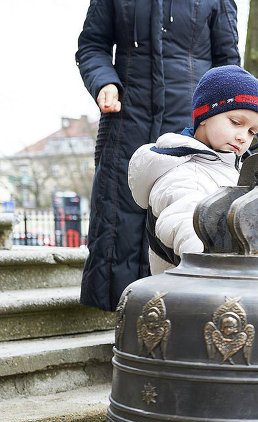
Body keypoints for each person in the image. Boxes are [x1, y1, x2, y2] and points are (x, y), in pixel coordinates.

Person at [76, 0, 240, 311]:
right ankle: (118, 315)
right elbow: (92, 46)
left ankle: (190, 310)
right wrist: (104, 81)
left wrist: (228, 121)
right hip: (127, 119)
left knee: (188, 210)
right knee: (119, 215)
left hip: (193, 127)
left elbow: (227, 64)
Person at [129, 66, 258, 274]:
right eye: (235, 122)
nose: (243, 137)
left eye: (251, 132)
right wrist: (210, 268)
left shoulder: (236, 170)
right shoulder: (185, 173)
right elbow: (187, 224)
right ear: (204, 114)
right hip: (195, 292)